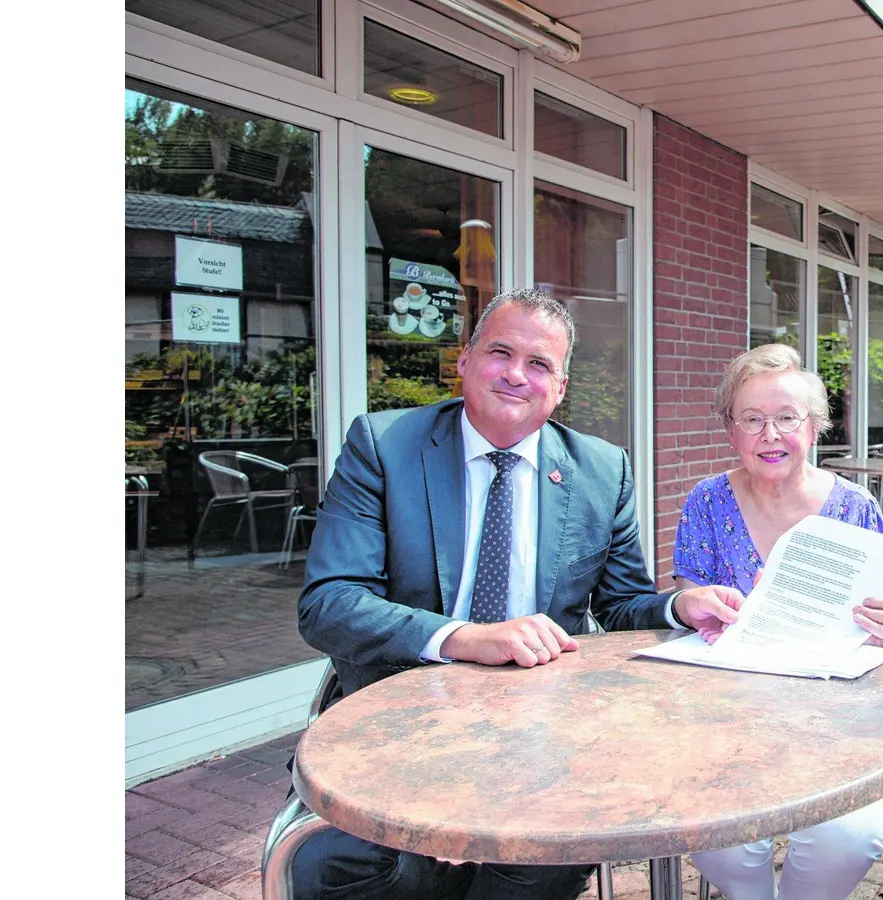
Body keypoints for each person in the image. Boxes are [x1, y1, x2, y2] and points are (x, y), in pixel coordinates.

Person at [294, 287, 746, 900]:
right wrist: (466, 639)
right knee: (332, 865)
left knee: (551, 854)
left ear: (560, 388)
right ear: (464, 360)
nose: (515, 374)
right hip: (398, 721)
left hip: (545, 733)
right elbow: (329, 602)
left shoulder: (601, 469)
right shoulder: (384, 446)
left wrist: (676, 606)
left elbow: (619, 607)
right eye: (499, 353)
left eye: (539, 365)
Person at [674, 343, 883, 900]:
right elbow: (689, 601)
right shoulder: (707, 501)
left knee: (849, 839)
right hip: (728, 714)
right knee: (718, 840)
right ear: (731, 431)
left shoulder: (855, 508)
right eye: (751, 420)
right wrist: (697, 606)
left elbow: (880, 629)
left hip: (836, 720)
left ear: (815, 428)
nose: (769, 435)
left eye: (785, 418)